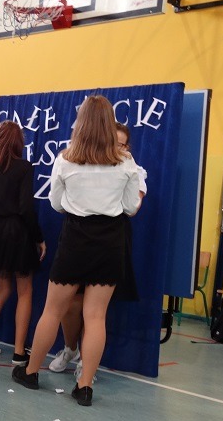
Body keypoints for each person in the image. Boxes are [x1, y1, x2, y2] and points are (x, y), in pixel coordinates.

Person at [12, 96, 141, 407]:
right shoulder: (126, 162)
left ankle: (31, 372)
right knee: (96, 316)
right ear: (109, 123)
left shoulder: (65, 159)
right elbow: (130, 207)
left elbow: (56, 204)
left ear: (80, 123)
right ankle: (84, 387)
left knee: (52, 311)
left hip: (75, 239)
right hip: (110, 242)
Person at [47, 122, 148, 381]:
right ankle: (70, 348)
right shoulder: (79, 162)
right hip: (77, 239)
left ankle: (86, 366)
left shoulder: (131, 168)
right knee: (70, 304)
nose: (117, 148)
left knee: (95, 311)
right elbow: (58, 201)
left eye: (122, 144)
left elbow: (131, 208)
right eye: (112, 142)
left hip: (111, 240)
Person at [0, 121, 46, 363]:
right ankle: (19, 351)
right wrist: (38, 238)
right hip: (17, 233)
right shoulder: (24, 167)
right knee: (25, 292)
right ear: (18, 142)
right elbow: (26, 208)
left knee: (3, 289)